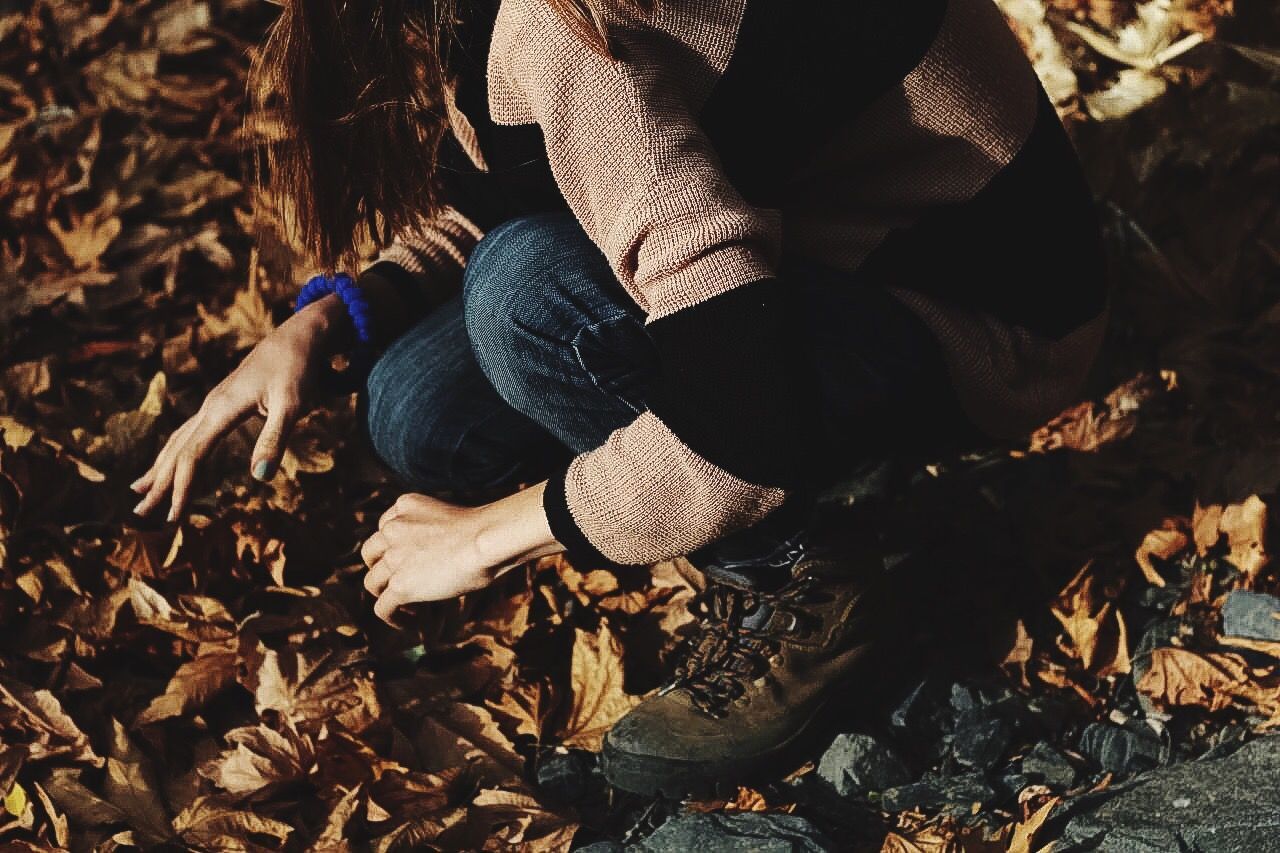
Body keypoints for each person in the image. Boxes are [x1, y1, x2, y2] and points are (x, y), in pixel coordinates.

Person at [131, 0, 1109, 797]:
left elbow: (745, 419)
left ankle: (802, 575)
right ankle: (739, 494)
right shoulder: (502, 24)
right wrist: (325, 321)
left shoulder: (548, 25)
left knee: (522, 297)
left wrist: (487, 536)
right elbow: (538, 181)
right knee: (414, 406)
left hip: (979, 324)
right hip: (825, 244)